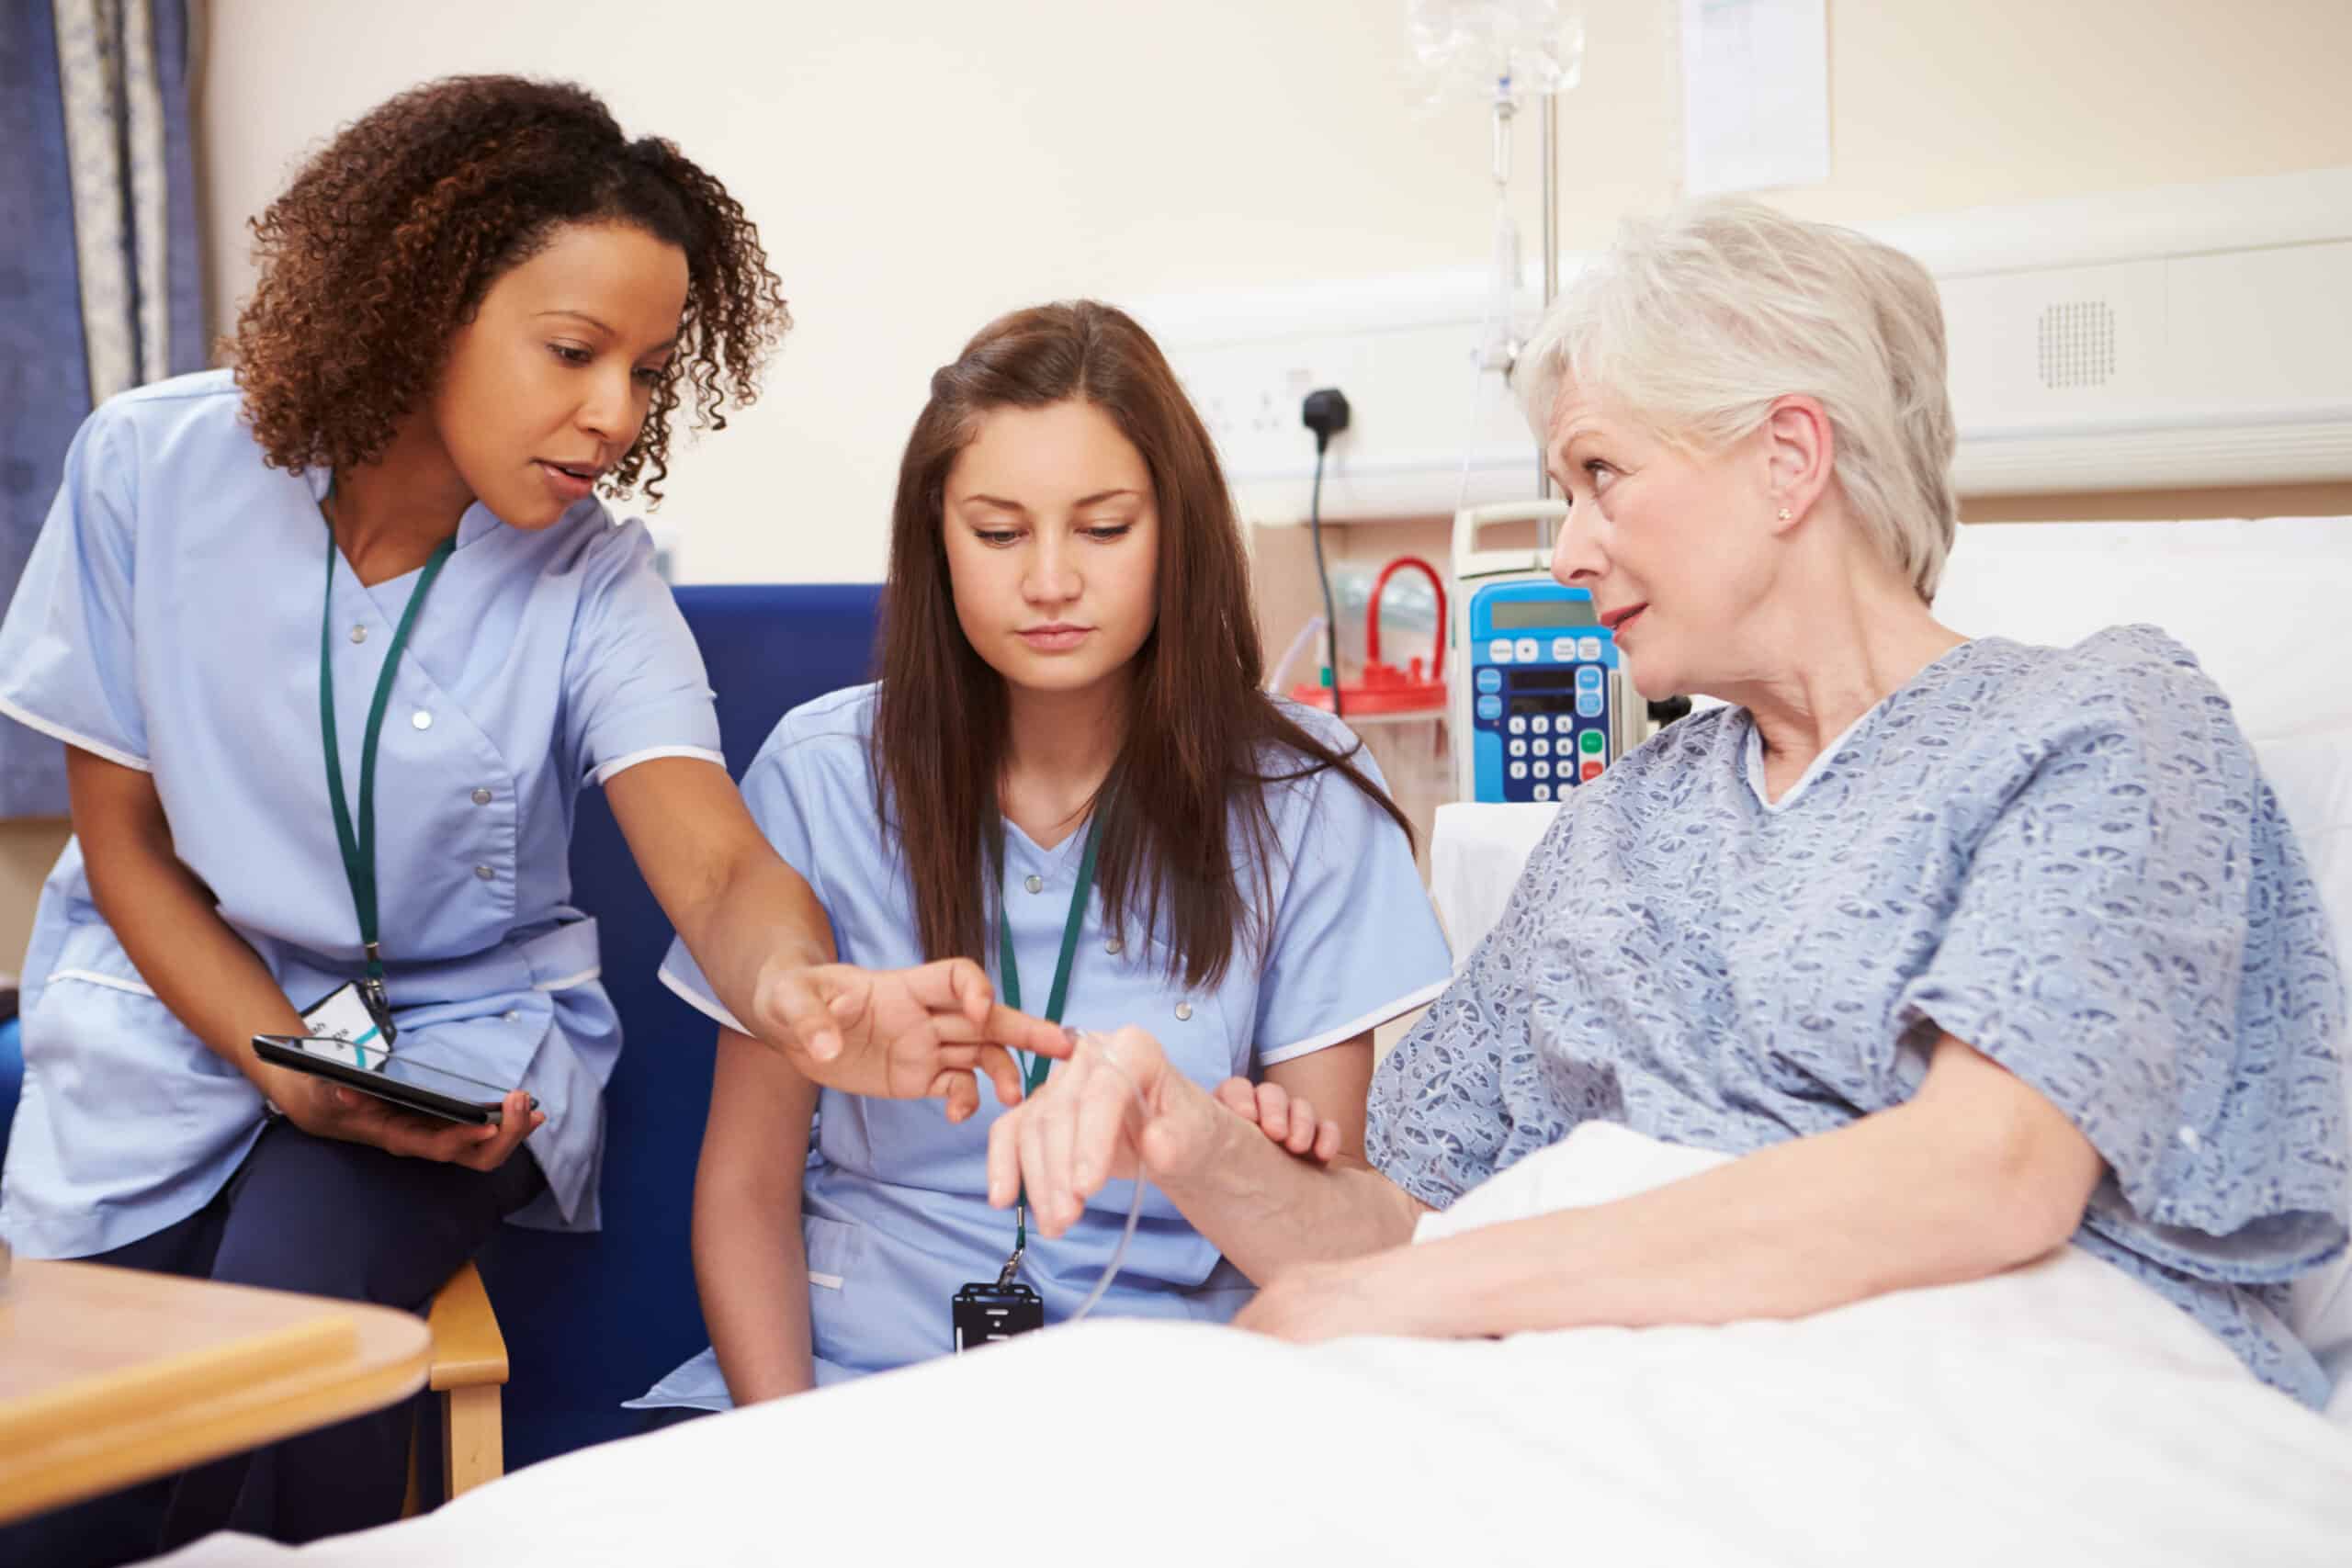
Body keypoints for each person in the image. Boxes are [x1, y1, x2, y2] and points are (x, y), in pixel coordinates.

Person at [989, 196, 2347, 1406]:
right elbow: (1403, 1232)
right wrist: (1194, 1140)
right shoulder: (1619, 825)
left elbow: (1988, 1172)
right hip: (1609, 1390)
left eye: (1601, 476)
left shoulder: (2100, 729)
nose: (1572, 548)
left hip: (1981, 1387)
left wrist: (1406, 1297)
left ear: (1789, 460)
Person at [0, 75, 1062, 1564]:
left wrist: (797, 991)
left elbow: (710, 850)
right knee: (69, 1479)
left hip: (447, 1059)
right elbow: (121, 843)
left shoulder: (595, 581)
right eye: (574, 352)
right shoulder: (149, 468)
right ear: (423, 301)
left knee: (295, 1349)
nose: (617, 414)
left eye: (647, 368)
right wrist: (279, 1063)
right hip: (169, 1022)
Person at [632, 301, 1453, 1408]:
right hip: (845, 1390)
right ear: (937, 539)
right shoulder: (822, 775)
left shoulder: (1302, 792)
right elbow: (744, 1189)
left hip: (1170, 1401)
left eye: (1104, 529)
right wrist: (792, 1458)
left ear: (1178, 532)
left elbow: (1328, 1247)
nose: (1051, 579)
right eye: (1000, 532)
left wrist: (1233, 1148)